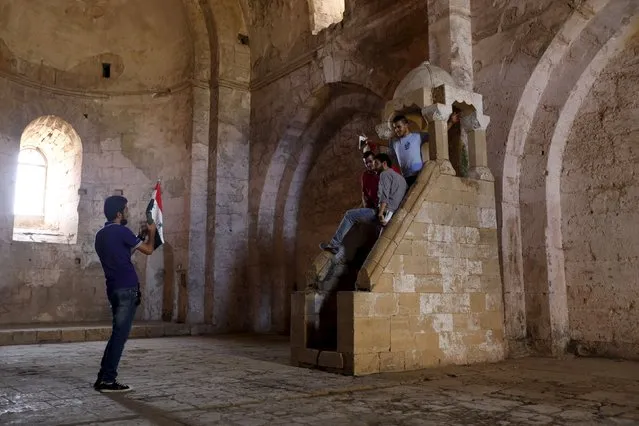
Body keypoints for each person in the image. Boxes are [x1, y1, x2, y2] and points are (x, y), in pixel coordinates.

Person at [93, 195, 156, 393]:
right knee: (120, 336)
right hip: (127, 287)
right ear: (119, 213)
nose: (128, 212)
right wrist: (151, 234)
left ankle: (102, 377)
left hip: (113, 287)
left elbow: (124, 254)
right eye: (126, 209)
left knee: (116, 334)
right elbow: (148, 250)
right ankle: (108, 381)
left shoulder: (101, 235)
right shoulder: (122, 231)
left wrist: (139, 237)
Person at [320, 153, 407, 254]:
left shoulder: (384, 174)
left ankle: (334, 245)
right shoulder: (370, 176)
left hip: (384, 212)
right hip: (389, 211)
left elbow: (385, 197)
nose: (371, 165)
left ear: (383, 164)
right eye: (367, 163)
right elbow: (366, 194)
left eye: (373, 162)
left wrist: (381, 212)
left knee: (349, 215)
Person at [390, 115, 426, 187]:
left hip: (418, 176)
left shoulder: (417, 136)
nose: (396, 130)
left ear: (406, 125)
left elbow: (435, 134)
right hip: (404, 179)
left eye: (399, 127)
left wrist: (451, 122)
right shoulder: (394, 142)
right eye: (395, 128)